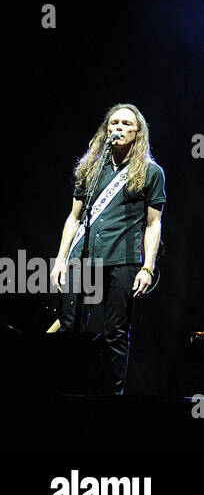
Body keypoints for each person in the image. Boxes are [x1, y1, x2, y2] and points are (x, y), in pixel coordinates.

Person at [51, 104, 166, 396]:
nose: (119, 128)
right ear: (106, 129)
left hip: (123, 259)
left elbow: (154, 224)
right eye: (114, 122)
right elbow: (74, 217)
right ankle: (64, 388)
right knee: (69, 326)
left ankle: (112, 395)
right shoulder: (90, 168)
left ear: (138, 132)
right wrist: (61, 259)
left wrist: (147, 267)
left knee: (116, 332)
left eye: (127, 123)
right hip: (83, 255)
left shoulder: (151, 172)